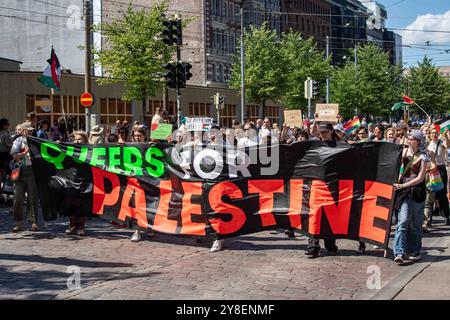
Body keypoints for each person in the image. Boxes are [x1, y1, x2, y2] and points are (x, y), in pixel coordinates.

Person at [392, 130, 428, 264]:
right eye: (409, 138)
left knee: (415, 224)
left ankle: (414, 250)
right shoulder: (404, 152)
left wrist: (404, 185)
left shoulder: (424, 156)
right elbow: (395, 161)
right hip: (404, 193)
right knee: (402, 221)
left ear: (418, 141)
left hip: (417, 192)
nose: (409, 140)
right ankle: (399, 252)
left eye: (412, 138)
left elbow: (420, 178)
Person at [305, 122, 339, 258]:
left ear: (331, 131)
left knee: (330, 216)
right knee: (315, 216)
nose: (323, 134)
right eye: (321, 132)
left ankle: (330, 244)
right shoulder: (315, 146)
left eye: (325, 132)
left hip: (332, 186)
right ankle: (313, 246)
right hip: (317, 184)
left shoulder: (340, 146)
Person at [10, 122, 40, 232]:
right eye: (27, 130)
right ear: (23, 131)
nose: (30, 132)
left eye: (31, 130)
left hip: (32, 171)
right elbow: (14, 156)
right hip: (20, 171)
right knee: (18, 197)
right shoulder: (18, 141)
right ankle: (19, 222)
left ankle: (33, 222)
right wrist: (23, 154)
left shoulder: (36, 141)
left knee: (32, 197)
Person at [64, 131, 90, 236]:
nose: (77, 141)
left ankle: (81, 227)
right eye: (76, 139)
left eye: (80, 139)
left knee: (82, 204)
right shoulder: (70, 149)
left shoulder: (90, 150)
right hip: (71, 179)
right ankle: (72, 226)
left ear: (85, 140)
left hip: (84, 180)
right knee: (71, 203)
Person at [427, 127, 450, 225]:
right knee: (431, 194)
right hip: (431, 170)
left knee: (442, 194)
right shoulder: (428, 144)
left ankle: (446, 216)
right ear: (430, 134)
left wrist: (447, 137)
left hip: (440, 169)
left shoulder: (441, 142)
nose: (434, 134)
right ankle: (428, 219)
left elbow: (448, 145)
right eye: (432, 133)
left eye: (436, 133)